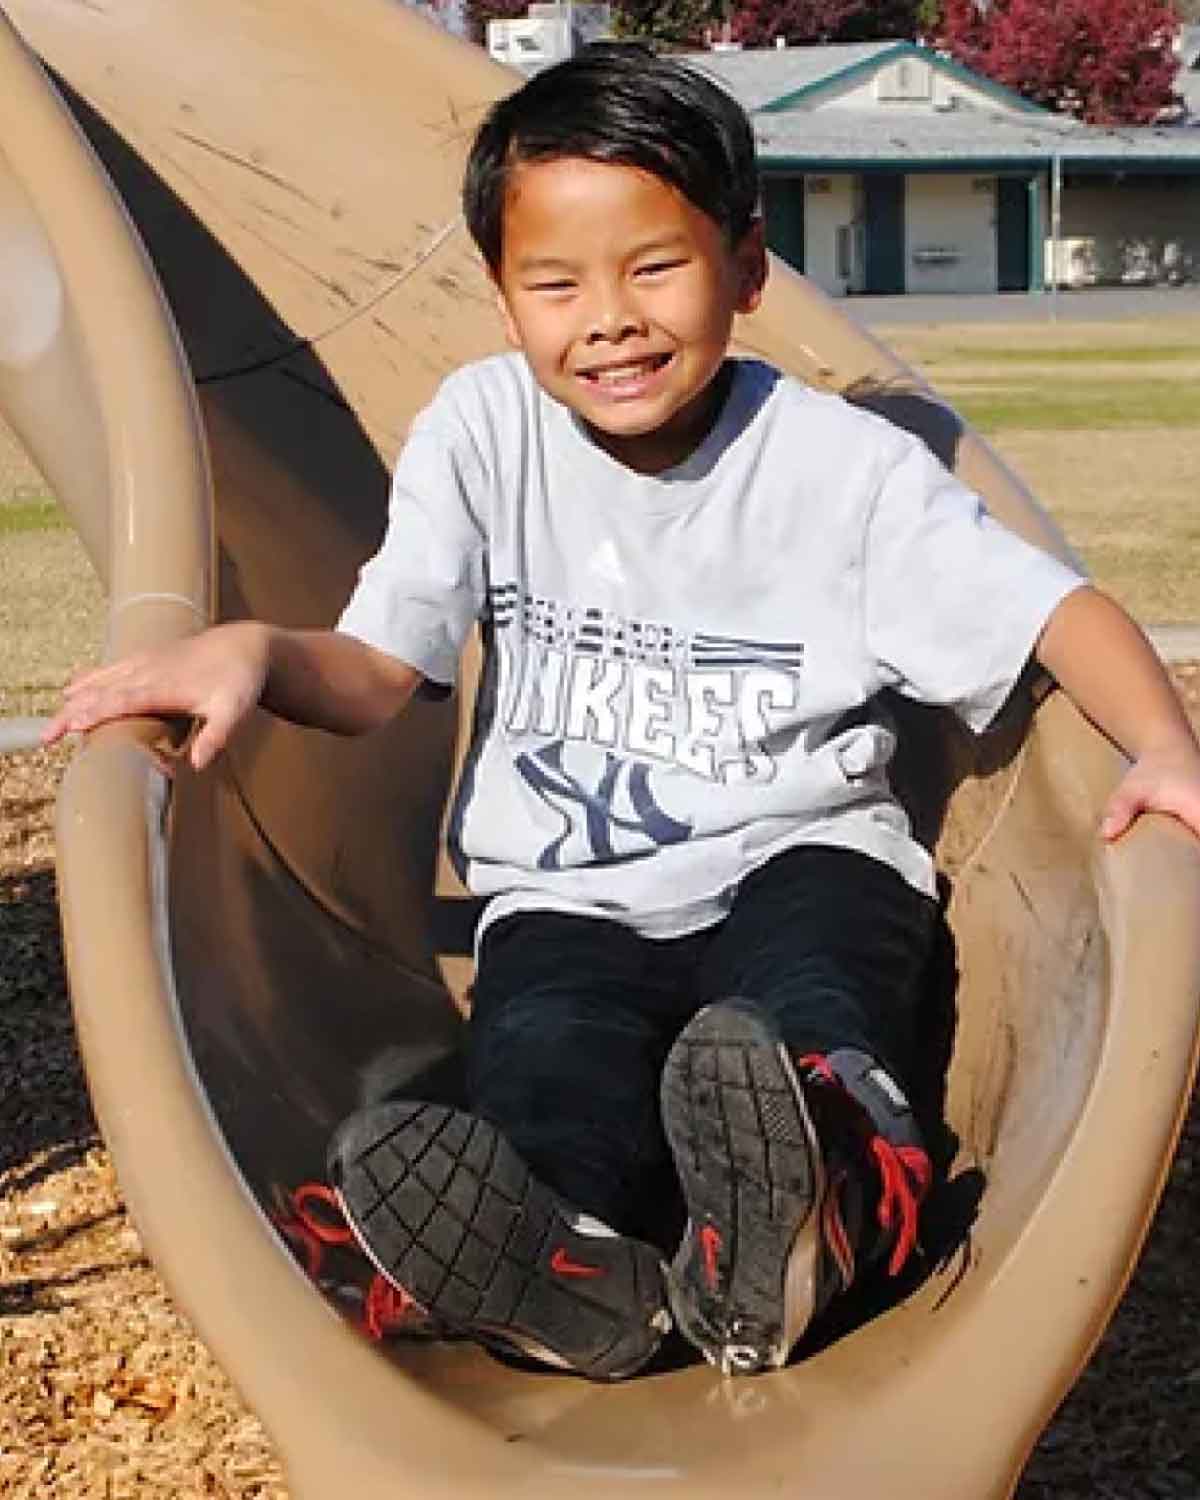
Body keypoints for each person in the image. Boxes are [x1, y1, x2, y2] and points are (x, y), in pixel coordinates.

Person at [44, 43, 1200, 1383]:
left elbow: (1053, 612)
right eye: (556, 284)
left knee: (798, 1022)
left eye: (655, 267)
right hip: (569, 894)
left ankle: (820, 1204)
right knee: (546, 1071)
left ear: (746, 269)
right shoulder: (481, 431)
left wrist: (1169, 745)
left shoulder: (845, 471)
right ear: (501, 296)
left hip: (804, 856)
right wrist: (249, 651)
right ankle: (575, 1265)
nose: (609, 318)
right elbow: (378, 669)